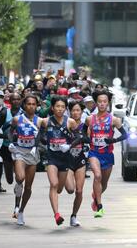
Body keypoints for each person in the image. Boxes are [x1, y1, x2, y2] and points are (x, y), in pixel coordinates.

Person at [86, 90, 127, 218]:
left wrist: (113, 140)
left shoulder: (114, 120)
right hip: (94, 152)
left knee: (103, 184)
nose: (102, 104)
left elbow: (125, 135)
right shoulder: (89, 119)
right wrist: (85, 139)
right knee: (97, 176)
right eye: (99, 102)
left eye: (104, 102)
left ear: (108, 103)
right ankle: (99, 207)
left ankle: (96, 197)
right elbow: (82, 133)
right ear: (96, 103)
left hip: (108, 154)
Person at [39, 96, 78, 226]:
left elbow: (79, 138)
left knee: (61, 189)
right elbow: (36, 133)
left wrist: (70, 146)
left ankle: (57, 198)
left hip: (65, 159)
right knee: (54, 184)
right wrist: (38, 145)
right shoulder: (45, 121)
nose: (60, 109)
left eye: (62, 107)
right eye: (57, 106)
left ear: (65, 108)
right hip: (51, 158)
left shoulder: (70, 122)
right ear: (53, 108)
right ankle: (56, 214)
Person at [6, 95, 41, 226]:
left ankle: (21, 211)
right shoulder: (17, 119)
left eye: (33, 104)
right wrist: (12, 143)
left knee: (28, 187)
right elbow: (10, 132)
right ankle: (16, 203)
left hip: (32, 154)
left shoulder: (39, 121)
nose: (31, 106)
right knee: (20, 178)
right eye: (28, 104)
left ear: (36, 106)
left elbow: (43, 136)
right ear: (24, 105)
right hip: (20, 152)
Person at [65, 100, 88, 227]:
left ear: (82, 112)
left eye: (78, 110)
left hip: (81, 160)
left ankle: (74, 216)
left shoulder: (85, 126)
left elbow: (89, 139)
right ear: (69, 112)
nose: (75, 113)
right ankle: (61, 177)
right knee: (70, 189)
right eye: (73, 110)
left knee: (79, 191)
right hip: (67, 160)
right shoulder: (66, 124)